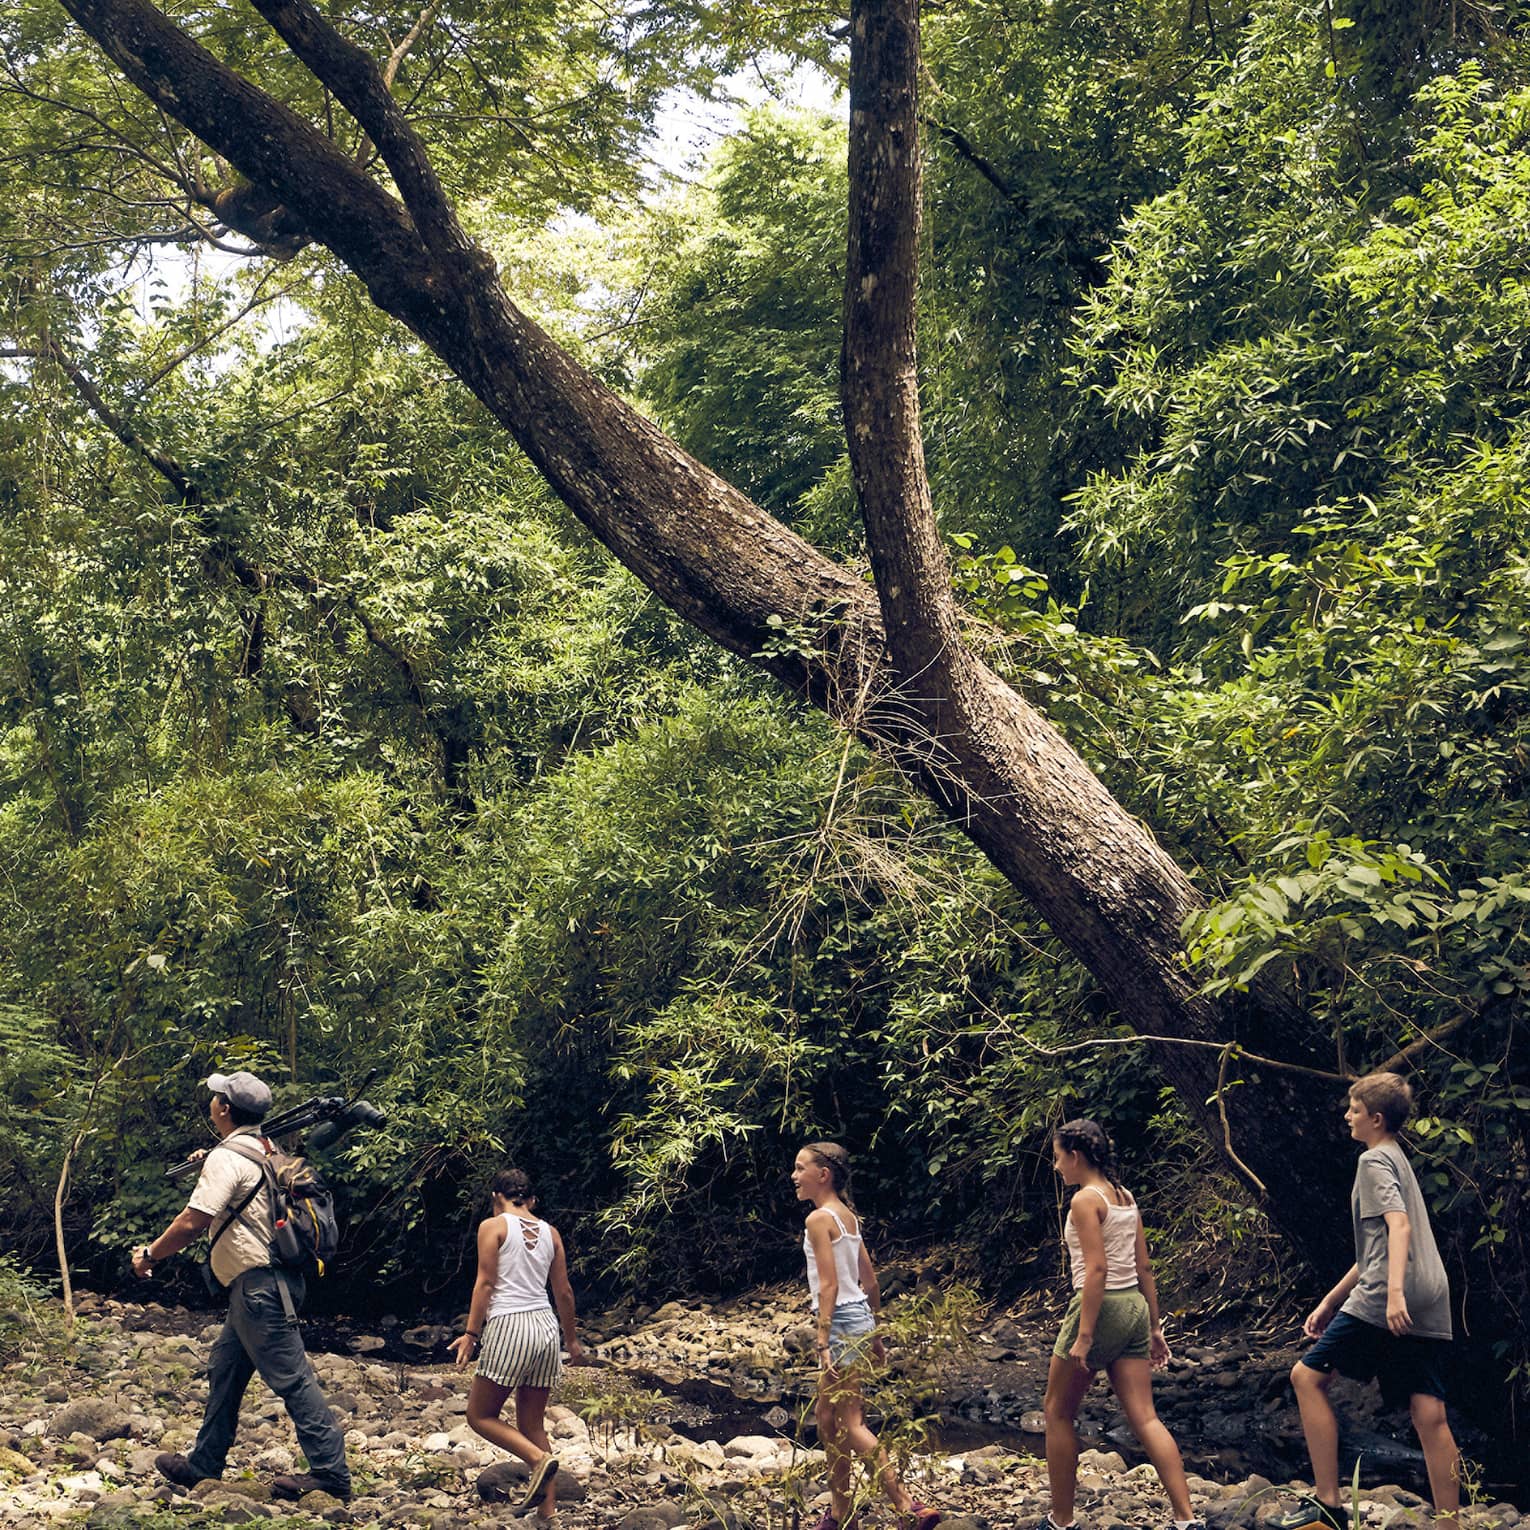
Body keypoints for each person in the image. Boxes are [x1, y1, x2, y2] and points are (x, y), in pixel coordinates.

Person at [132, 1071, 351, 1502]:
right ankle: (203, 1465)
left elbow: (193, 1221)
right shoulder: (266, 1150)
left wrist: (150, 1255)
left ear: (225, 1109)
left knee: (294, 1381)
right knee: (226, 1371)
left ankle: (331, 1474)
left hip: (261, 1290)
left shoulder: (228, 1157)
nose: (212, 1102)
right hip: (264, 1286)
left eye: (216, 1097)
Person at [1271, 1072, 1459, 1530]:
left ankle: (1328, 1504)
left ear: (1375, 1118)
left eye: (1353, 1109)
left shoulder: (1373, 1162)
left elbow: (1399, 1228)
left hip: (1390, 1291)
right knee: (1428, 1412)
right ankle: (1452, 1524)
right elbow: (1373, 1250)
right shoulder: (1398, 1158)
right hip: (1431, 1290)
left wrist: (1393, 1295)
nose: (1346, 1115)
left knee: (1306, 1377)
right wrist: (1332, 1301)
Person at [1039, 1119, 1201, 1530]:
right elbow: (1144, 1266)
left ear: (1075, 1156)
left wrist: (1085, 1336)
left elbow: (1096, 1270)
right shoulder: (1125, 1197)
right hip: (1133, 1307)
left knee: (1057, 1412)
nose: (1057, 1167)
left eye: (1058, 1158)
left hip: (1101, 1307)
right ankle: (1187, 1520)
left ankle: (1061, 1521)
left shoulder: (1084, 1201)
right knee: (1146, 1417)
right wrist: (1154, 1326)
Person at [792, 1141, 940, 1530]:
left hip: (839, 1321)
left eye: (799, 1168)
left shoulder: (818, 1220)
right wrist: (874, 1333)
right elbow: (870, 1282)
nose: (794, 1176)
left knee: (851, 1422)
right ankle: (841, 1512)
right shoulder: (847, 1217)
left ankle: (908, 1506)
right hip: (857, 1317)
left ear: (822, 1175)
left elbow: (828, 1287)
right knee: (827, 1418)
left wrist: (822, 1340)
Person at [450, 1167, 584, 1521]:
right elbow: (564, 1291)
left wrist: (471, 1333)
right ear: (532, 1200)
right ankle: (547, 1515)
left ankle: (538, 1460)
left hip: (510, 1325)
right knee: (533, 1425)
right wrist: (571, 1339)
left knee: (480, 1415)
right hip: (545, 1328)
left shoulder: (492, 1226)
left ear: (496, 1196)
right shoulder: (551, 1232)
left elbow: (485, 1283)